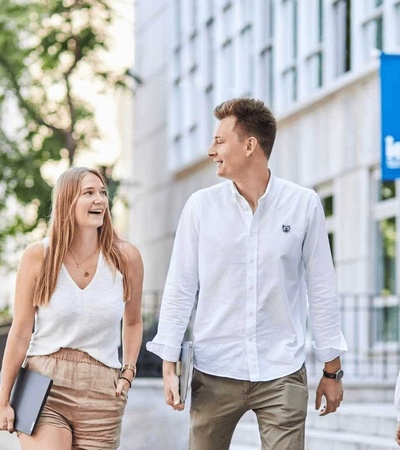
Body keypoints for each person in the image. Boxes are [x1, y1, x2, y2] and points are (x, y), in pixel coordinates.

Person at [147, 98, 347, 450]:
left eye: (220, 141)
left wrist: (332, 371)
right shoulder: (200, 207)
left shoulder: (303, 205)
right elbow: (181, 287)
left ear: (250, 144)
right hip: (214, 371)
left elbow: (322, 290)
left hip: (281, 370)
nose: (211, 151)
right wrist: (169, 362)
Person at [0, 167, 143, 450]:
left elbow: (134, 322)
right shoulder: (38, 257)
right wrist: (3, 398)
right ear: (67, 201)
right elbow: (19, 332)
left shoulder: (126, 258)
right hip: (45, 383)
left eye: (102, 193)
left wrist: (128, 372)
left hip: (103, 390)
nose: (100, 200)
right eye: (88, 193)